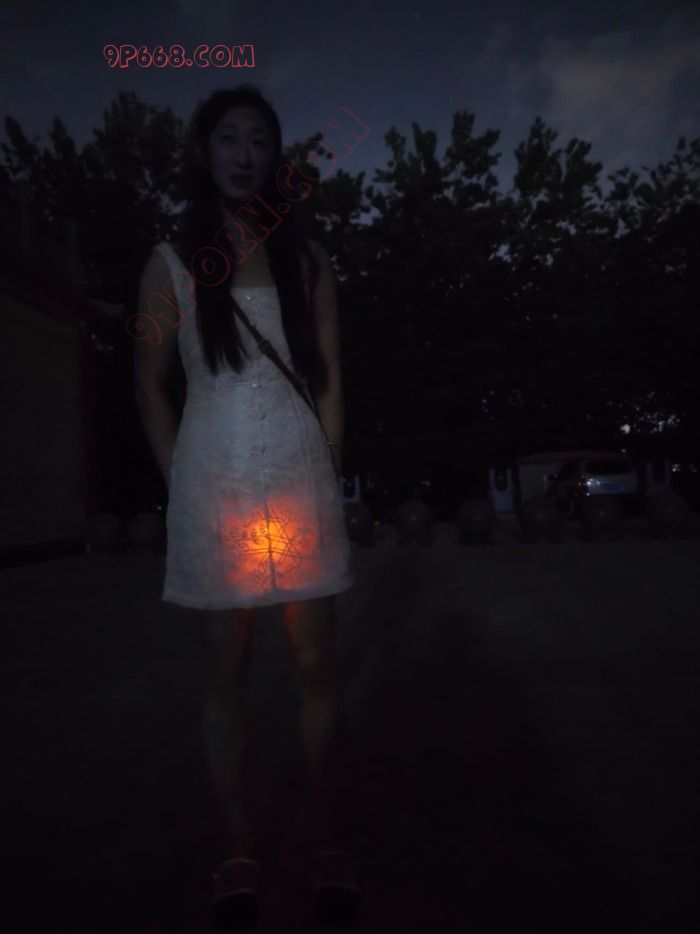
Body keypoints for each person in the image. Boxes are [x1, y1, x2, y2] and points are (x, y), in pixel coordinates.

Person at [133, 85, 359, 924]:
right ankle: (237, 851)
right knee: (225, 675)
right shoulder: (171, 260)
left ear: (275, 156)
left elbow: (330, 382)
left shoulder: (308, 260)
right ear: (204, 152)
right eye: (226, 138)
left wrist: (329, 475)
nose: (242, 154)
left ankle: (328, 842)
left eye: (258, 139)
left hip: (299, 485)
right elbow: (150, 383)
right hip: (215, 490)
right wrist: (181, 481)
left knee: (315, 667)